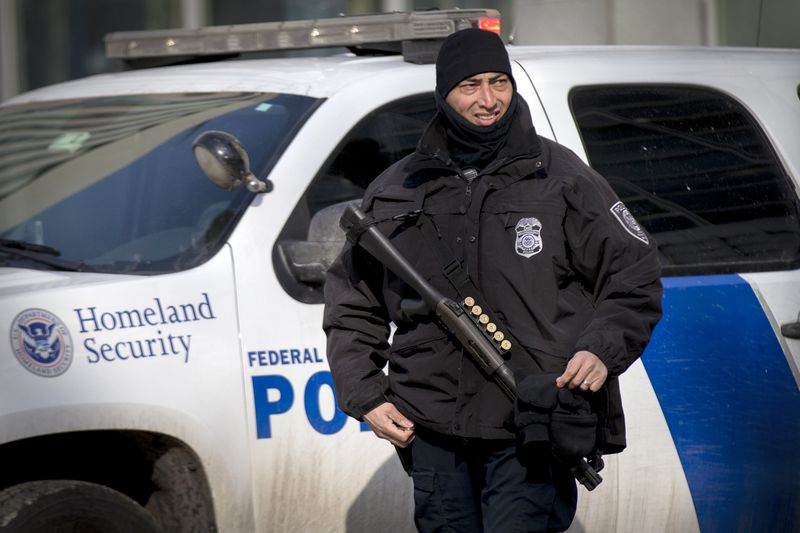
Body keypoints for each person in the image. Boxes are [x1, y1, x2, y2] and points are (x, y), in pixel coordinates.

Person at [323, 27, 662, 533]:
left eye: (498, 82)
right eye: (471, 86)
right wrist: (366, 395)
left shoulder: (561, 177)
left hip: (530, 421)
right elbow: (354, 304)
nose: (488, 100)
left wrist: (600, 350)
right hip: (432, 427)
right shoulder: (396, 189)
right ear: (444, 94)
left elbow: (634, 276)